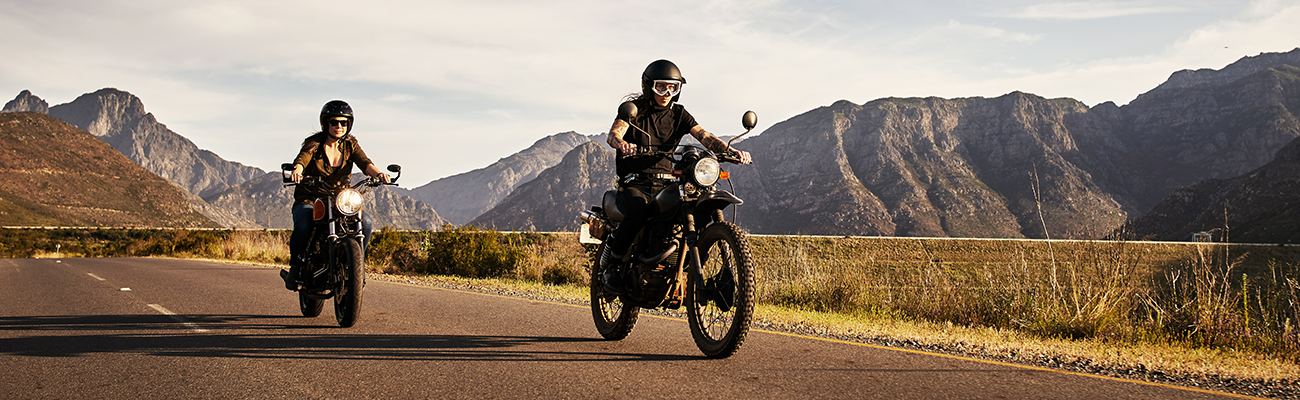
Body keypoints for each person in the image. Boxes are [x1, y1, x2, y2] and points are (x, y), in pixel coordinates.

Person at [601, 59, 752, 293]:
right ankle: (612, 266)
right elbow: (613, 134)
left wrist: (731, 151)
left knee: (696, 206)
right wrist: (622, 144)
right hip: (636, 182)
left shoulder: (679, 114)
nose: (667, 93)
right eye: (661, 87)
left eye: (673, 87)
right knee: (639, 210)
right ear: (649, 86)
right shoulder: (634, 110)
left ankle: (689, 264)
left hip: (667, 182)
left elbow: (704, 136)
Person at [282, 100, 390, 290]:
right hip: (311, 198)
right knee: (304, 223)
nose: (339, 126)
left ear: (349, 124)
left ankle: (357, 267)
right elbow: (302, 159)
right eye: (334, 122)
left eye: (343, 122)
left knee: (366, 222)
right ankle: (296, 267)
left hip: (339, 201)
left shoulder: (350, 144)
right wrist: (297, 171)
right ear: (326, 123)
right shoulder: (314, 144)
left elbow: (365, 163)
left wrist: (379, 174)